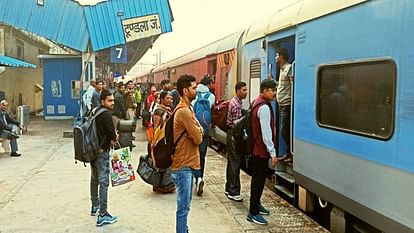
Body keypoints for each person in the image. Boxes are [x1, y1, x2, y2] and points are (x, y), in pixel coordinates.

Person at [171, 74, 203, 233]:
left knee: (184, 206)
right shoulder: (184, 111)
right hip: (183, 165)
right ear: (185, 90)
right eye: (194, 87)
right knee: (183, 208)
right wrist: (199, 131)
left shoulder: (185, 108)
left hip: (184, 164)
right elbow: (198, 138)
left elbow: (198, 131)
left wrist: (198, 131)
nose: (196, 90)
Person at [247, 79, 278, 225]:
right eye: (272, 90)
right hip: (260, 150)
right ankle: (253, 212)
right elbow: (267, 133)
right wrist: (272, 153)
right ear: (265, 91)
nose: (274, 93)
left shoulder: (256, 101)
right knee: (258, 181)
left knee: (258, 180)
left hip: (256, 149)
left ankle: (257, 205)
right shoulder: (264, 108)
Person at [90, 89, 119, 227]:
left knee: (94, 178)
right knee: (103, 182)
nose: (112, 103)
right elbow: (112, 134)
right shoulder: (106, 114)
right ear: (103, 101)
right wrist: (115, 136)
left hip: (92, 151)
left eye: (113, 100)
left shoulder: (95, 111)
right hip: (102, 152)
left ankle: (94, 206)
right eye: (109, 100)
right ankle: (103, 214)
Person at [224, 81, 248, 202]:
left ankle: (229, 188)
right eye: (244, 90)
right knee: (235, 163)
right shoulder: (237, 105)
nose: (246, 92)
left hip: (230, 134)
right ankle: (233, 191)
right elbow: (237, 124)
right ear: (238, 90)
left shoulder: (235, 101)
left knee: (232, 162)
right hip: (234, 135)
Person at [192, 75, 215, 196]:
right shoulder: (211, 97)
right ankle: (199, 177)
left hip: (193, 130)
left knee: (192, 154)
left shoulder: (193, 95)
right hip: (205, 131)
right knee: (201, 155)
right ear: (209, 84)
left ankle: (194, 177)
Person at [151, 91, 175, 193]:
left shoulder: (169, 110)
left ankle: (164, 185)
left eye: (171, 98)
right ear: (162, 99)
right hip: (160, 141)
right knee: (160, 162)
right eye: (167, 98)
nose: (170, 100)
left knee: (166, 162)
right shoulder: (158, 111)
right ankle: (160, 185)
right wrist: (154, 142)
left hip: (167, 140)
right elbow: (156, 127)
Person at [275, 48, 293, 163]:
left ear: (282, 57)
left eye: (277, 55)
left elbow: (291, 84)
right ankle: (287, 154)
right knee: (284, 130)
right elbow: (283, 86)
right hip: (281, 104)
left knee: (284, 131)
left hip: (287, 104)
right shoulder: (282, 69)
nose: (276, 58)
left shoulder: (289, 68)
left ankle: (290, 154)